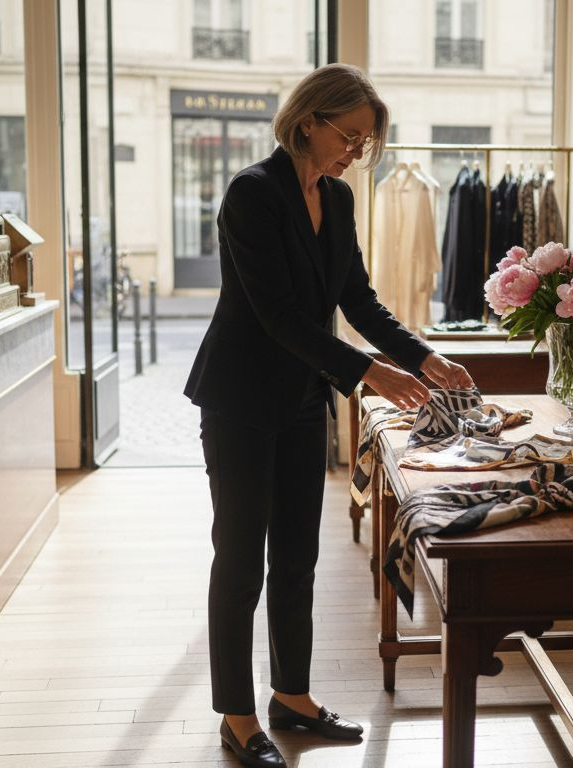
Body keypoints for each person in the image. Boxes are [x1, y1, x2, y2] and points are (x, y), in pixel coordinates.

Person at [183, 63, 476, 768]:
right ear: (308, 120)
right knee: (240, 559)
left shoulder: (339, 201)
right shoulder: (252, 194)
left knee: (298, 557)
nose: (354, 152)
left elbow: (359, 301)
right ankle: (237, 714)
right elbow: (277, 314)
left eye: (366, 144)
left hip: (299, 399)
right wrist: (366, 372)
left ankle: (293, 698)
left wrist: (423, 356)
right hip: (241, 398)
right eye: (349, 136)